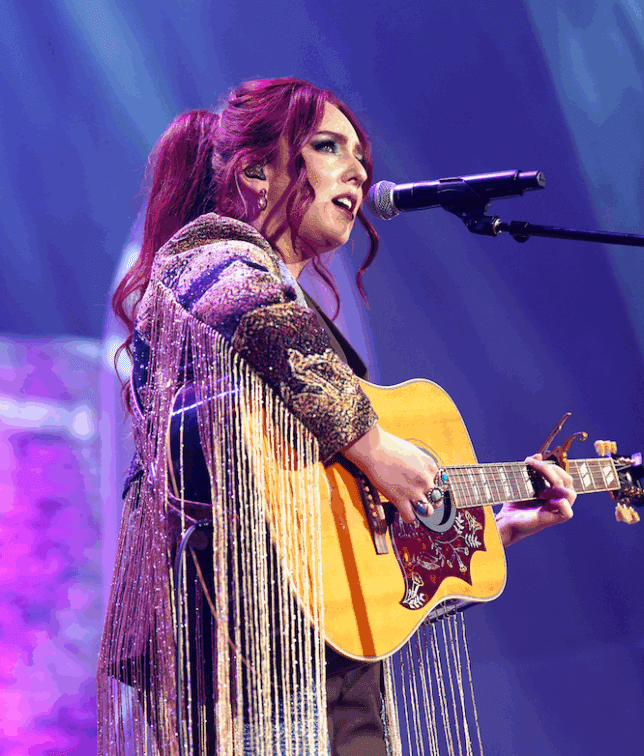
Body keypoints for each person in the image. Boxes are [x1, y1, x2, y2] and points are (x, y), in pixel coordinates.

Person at [97, 77, 577, 756]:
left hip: (328, 672)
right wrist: (379, 447)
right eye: (329, 147)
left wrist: (491, 529)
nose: (358, 171)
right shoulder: (207, 261)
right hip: (246, 669)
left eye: (363, 159)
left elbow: (345, 526)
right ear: (256, 170)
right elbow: (257, 319)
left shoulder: (298, 314)